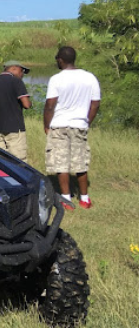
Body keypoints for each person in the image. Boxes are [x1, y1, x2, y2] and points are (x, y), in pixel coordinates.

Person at [43, 46, 101, 210]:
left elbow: (50, 105)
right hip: (79, 125)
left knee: (61, 163)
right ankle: (84, 198)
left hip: (60, 125)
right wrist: (87, 121)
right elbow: (95, 104)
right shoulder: (90, 78)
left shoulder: (56, 79)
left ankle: (66, 199)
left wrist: (46, 125)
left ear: (60, 59)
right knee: (80, 162)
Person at [0, 60, 32, 160]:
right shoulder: (16, 81)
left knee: (0, 160)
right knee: (18, 161)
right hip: (14, 128)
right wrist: (29, 102)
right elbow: (26, 105)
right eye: (22, 71)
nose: (22, 74)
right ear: (14, 68)